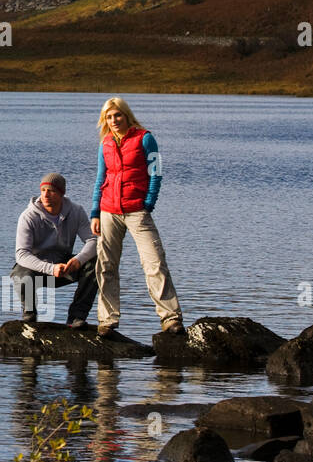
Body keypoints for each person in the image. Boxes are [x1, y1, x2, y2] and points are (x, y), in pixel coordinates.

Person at [90, 97, 184, 337]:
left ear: (126, 115)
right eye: (109, 117)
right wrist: (95, 212)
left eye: (117, 115)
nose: (114, 121)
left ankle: (170, 318)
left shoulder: (145, 138)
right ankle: (107, 321)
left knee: (154, 263)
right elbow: (101, 179)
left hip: (137, 211)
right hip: (109, 211)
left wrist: (149, 202)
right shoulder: (106, 143)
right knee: (106, 267)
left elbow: (157, 173)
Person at [12, 172, 99, 327]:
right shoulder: (28, 216)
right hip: (38, 269)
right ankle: (30, 314)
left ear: (61, 193)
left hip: (65, 268)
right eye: (43, 190)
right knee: (20, 273)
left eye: (51, 191)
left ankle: (76, 318)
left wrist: (78, 260)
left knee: (96, 264)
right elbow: (21, 254)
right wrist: (50, 268)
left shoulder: (76, 211)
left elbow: (93, 241)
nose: (46, 195)